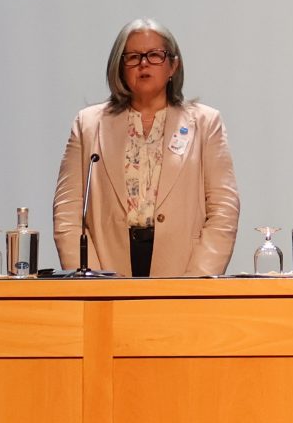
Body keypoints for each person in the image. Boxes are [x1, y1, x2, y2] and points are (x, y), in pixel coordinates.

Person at [51, 20, 241, 277]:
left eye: (154, 55)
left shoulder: (206, 123)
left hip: (183, 268)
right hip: (107, 269)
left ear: (173, 65)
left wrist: (195, 281)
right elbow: (67, 213)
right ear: (119, 68)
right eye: (133, 57)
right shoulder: (88, 125)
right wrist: (93, 280)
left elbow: (224, 209)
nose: (143, 63)